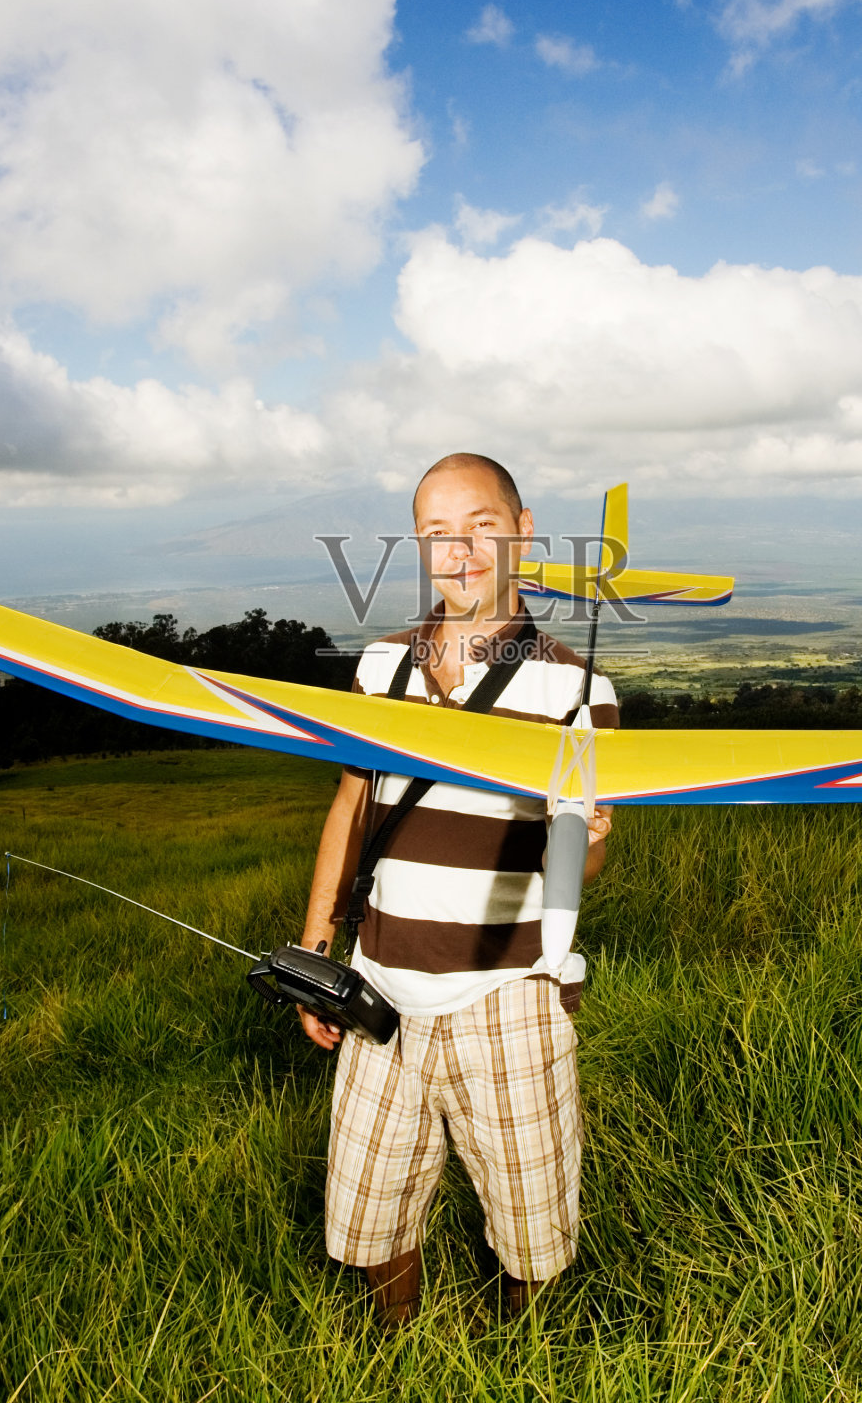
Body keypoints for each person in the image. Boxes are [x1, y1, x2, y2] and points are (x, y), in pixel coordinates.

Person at [297, 453, 618, 1324]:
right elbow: (351, 806)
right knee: (371, 1213)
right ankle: (397, 1348)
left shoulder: (578, 686)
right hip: (381, 981)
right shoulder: (378, 667)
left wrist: (587, 842)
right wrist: (318, 949)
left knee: (531, 1224)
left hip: (508, 993)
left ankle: (520, 1358)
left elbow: (581, 865)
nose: (461, 551)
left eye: (480, 525)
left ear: (522, 530)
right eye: (437, 532)